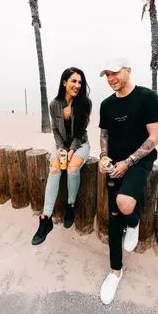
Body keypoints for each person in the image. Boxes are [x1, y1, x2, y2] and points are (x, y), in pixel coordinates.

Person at [98, 57, 158, 305]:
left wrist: (129, 162)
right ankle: (115, 272)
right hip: (114, 163)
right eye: (107, 74)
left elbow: (154, 137)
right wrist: (104, 157)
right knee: (113, 216)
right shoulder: (106, 104)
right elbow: (104, 134)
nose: (111, 78)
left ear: (128, 70)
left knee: (125, 204)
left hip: (140, 160)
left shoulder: (147, 97)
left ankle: (134, 221)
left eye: (114, 72)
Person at [32, 67, 92, 245]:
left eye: (80, 82)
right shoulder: (54, 104)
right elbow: (56, 131)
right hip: (62, 145)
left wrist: (72, 150)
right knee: (55, 169)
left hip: (80, 144)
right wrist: (60, 148)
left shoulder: (85, 104)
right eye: (73, 81)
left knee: (72, 168)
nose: (77, 85)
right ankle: (45, 218)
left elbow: (80, 133)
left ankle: (70, 206)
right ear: (64, 82)